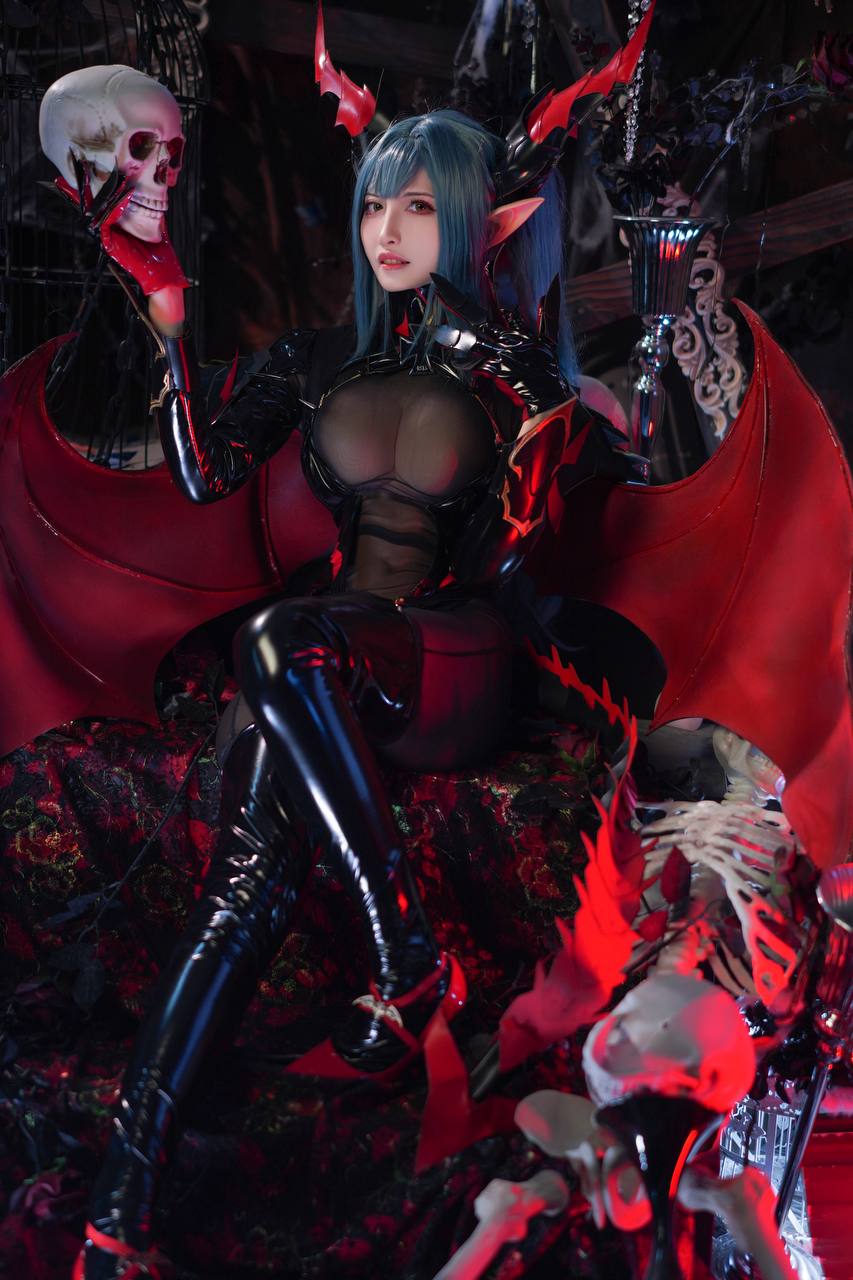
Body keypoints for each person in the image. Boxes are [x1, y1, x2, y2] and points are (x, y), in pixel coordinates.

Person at [75, 108, 631, 1280]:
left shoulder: (514, 367)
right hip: (326, 659)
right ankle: (119, 1207)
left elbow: (527, 537)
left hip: (449, 654)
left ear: (473, 222)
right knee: (242, 884)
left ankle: (401, 941)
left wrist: (515, 376)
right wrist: (167, 318)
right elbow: (205, 473)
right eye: (375, 203)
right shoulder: (319, 357)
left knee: (282, 641)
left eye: (418, 206)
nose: (387, 230)